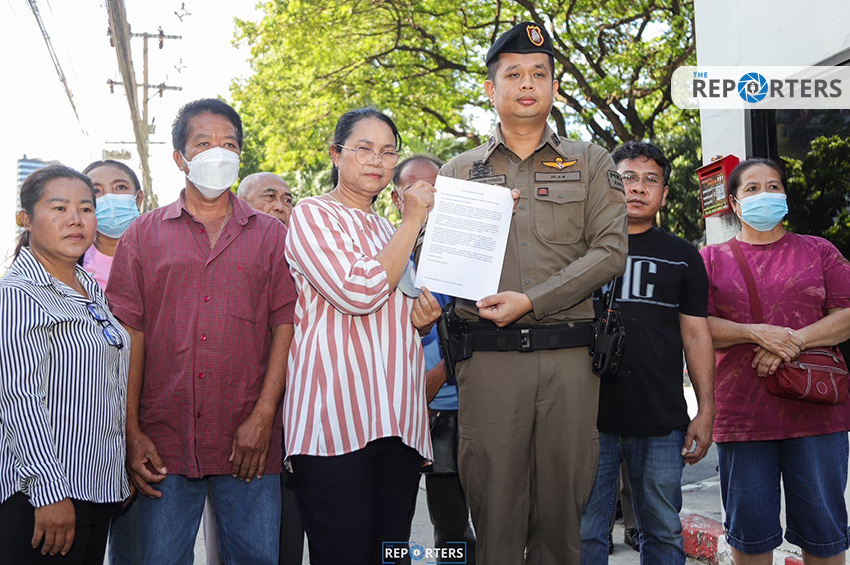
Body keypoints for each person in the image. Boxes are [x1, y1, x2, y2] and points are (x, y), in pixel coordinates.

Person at [436, 22, 628, 564]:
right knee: (494, 516)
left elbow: (610, 251)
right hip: (489, 362)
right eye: (514, 74)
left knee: (563, 521)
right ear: (491, 89)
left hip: (569, 360)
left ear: (554, 88)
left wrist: (533, 299)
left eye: (539, 74)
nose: (527, 83)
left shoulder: (591, 161)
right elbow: (442, 263)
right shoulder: (460, 171)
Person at [106, 98, 297, 564]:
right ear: (180, 158)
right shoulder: (142, 235)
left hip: (247, 439)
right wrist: (131, 430)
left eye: (229, 145)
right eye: (204, 143)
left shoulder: (272, 236)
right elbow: (130, 336)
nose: (219, 153)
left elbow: (285, 326)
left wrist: (264, 417)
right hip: (162, 439)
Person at [284, 108, 441, 565]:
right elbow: (361, 291)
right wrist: (412, 222)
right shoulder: (313, 214)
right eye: (364, 148)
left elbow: (395, 311)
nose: (377, 160)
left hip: (398, 418)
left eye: (388, 152)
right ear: (336, 154)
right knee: (343, 553)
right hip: (335, 422)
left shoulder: (385, 228)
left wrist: (423, 321)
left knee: (391, 553)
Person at [701, 158, 850, 565]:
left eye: (773, 186)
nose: (764, 194)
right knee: (750, 538)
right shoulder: (710, 259)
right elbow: (697, 327)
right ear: (734, 203)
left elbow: (846, 315)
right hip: (743, 418)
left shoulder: (819, 251)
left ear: (785, 196)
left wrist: (791, 341)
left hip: (816, 413)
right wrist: (755, 333)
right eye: (752, 189)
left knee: (824, 536)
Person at [580, 141, 716, 564]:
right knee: (585, 533)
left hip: (660, 419)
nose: (638, 188)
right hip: (585, 417)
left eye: (650, 180)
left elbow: (696, 335)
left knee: (663, 532)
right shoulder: (578, 248)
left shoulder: (683, 256)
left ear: (664, 193)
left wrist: (706, 409)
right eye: (627, 177)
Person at [0, 165, 130, 564]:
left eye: (86, 209)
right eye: (59, 208)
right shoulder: (19, 294)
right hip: (43, 499)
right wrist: (49, 493)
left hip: (94, 490)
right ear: (25, 219)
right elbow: (20, 400)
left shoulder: (89, 289)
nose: (75, 219)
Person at [393, 155, 476, 563]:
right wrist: (411, 394)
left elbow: (481, 328)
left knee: (453, 528)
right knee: (391, 526)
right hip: (395, 416)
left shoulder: (469, 252)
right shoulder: (385, 251)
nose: (429, 197)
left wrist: (436, 379)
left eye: (437, 188)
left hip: (455, 410)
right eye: (417, 188)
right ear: (397, 199)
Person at [234, 170, 305, 565]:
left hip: (299, 423)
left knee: (289, 535)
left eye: (287, 199)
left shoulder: (308, 257)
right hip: (246, 420)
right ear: (241, 205)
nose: (280, 206)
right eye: (269, 196)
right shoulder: (231, 258)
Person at [79, 160, 144, 289]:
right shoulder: (72, 262)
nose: (109, 197)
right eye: (96, 191)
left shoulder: (162, 254)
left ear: (138, 198)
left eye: (120, 187)